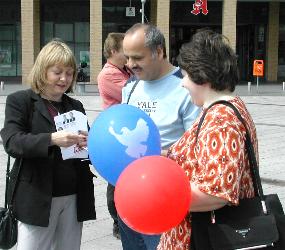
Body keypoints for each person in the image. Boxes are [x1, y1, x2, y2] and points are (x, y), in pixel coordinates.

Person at [157, 29, 259, 249]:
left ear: (202, 76)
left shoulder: (221, 121)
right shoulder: (227, 108)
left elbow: (216, 194)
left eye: (185, 75)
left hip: (200, 238)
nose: (182, 83)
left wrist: (160, 196)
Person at [0, 39, 96, 250]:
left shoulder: (75, 105)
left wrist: (89, 143)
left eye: (69, 73)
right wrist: (52, 139)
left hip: (73, 194)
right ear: (43, 70)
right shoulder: (20, 101)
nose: (64, 78)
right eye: (57, 72)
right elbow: (12, 141)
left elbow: (87, 147)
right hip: (37, 196)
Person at [119, 23, 200, 250]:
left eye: (137, 57)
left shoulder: (185, 87)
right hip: (130, 196)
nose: (130, 64)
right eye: (127, 57)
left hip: (165, 199)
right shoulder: (130, 87)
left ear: (160, 52)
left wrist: (165, 156)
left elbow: (197, 147)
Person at [97, 32, 133, 239]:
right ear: (112, 52)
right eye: (124, 51)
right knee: (116, 180)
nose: (128, 56)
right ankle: (117, 221)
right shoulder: (109, 74)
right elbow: (133, 94)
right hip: (117, 134)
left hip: (129, 131)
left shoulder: (124, 70)